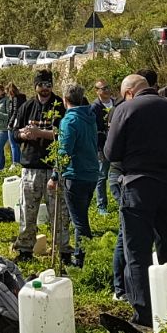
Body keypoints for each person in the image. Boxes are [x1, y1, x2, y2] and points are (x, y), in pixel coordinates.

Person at [105, 74, 167, 333]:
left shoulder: (126, 109)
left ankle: (144, 313)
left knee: (137, 252)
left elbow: (111, 153)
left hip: (138, 185)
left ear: (129, 92)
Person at [12, 70, 69, 265]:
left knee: (58, 213)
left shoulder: (60, 106)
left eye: (48, 85)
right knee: (28, 212)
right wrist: (23, 135)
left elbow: (65, 135)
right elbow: (14, 132)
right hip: (30, 166)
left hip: (53, 166)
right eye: (41, 85)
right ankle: (25, 248)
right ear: (35, 86)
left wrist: (41, 133)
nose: (45, 89)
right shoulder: (27, 106)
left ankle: (62, 250)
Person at [57, 84, 100, 266]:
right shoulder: (90, 117)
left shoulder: (70, 121)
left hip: (75, 174)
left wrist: (55, 174)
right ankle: (80, 255)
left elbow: (64, 151)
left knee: (79, 221)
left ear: (65, 99)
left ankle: (83, 258)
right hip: (91, 173)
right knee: (81, 217)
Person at [92, 79, 117, 214]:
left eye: (107, 87)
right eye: (103, 88)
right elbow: (94, 129)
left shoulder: (116, 103)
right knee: (102, 175)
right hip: (102, 146)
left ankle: (121, 200)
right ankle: (101, 205)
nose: (106, 90)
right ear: (97, 91)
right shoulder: (95, 107)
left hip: (118, 144)